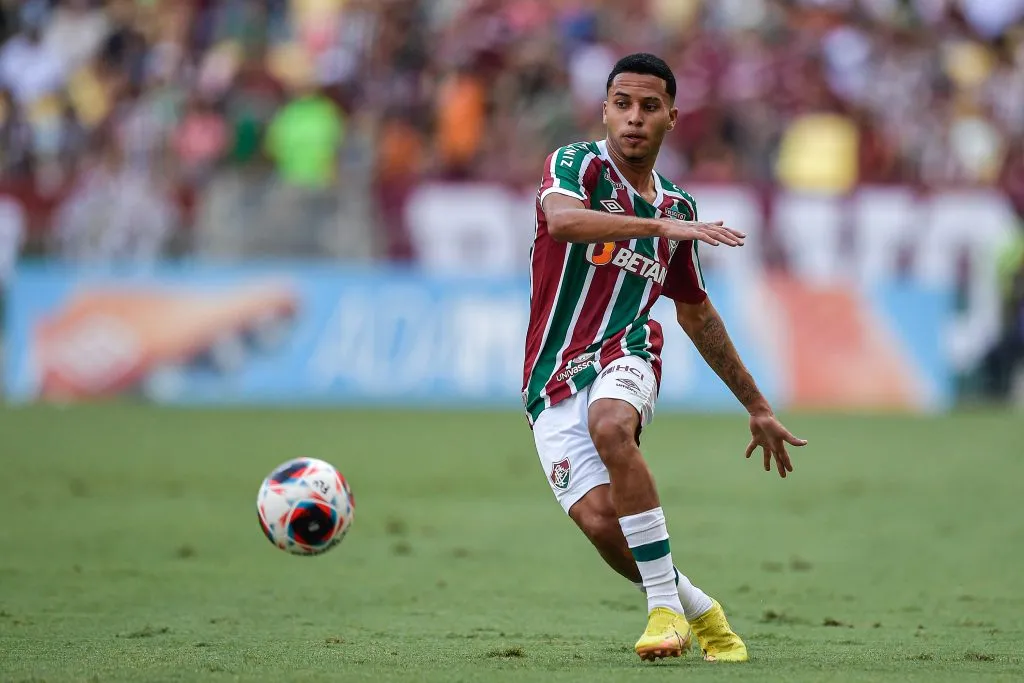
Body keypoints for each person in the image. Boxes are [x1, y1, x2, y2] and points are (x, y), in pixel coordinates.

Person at [522, 53, 808, 663]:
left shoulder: (678, 207)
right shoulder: (575, 165)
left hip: (627, 351)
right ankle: (700, 610)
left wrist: (756, 405)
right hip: (551, 375)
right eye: (621, 104)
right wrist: (660, 231)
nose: (633, 118)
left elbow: (696, 312)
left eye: (649, 107)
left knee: (611, 426)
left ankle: (661, 615)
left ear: (671, 118)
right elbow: (565, 223)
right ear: (604, 110)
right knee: (603, 525)